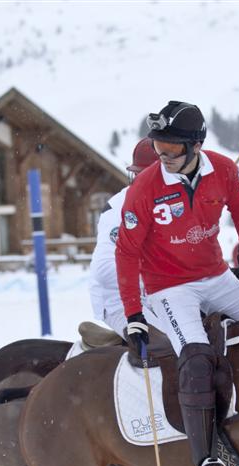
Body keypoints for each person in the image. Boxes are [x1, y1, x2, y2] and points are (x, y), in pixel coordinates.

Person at [115, 100, 239, 466]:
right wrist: (133, 314)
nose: (161, 156)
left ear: (196, 144)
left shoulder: (225, 170)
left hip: (215, 276)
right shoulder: (145, 188)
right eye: (157, 146)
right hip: (168, 287)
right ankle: (207, 460)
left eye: (171, 149)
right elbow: (126, 253)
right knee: (195, 358)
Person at [89, 138, 159, 338]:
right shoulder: (117, 210)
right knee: (170, 344)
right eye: (138, 175)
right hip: (116, 300)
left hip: (159, 296)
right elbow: (104, 270)